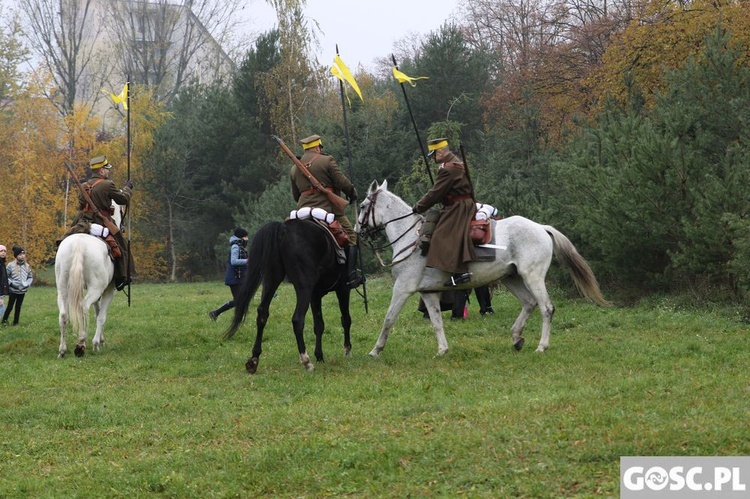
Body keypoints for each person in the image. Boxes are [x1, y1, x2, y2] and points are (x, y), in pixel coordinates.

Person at [291, 134, 362, 288]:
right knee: (351, 236)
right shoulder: (327, 160)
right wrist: (352, 193)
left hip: (302, 211)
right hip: (326, 209)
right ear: (318, 147)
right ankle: (351, 276)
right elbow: (342, 182)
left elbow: (296, 195)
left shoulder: (294, 167)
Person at [61, 155, 134, 291]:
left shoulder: (84, 186)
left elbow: (82, 204)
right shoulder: (108, 184)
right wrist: (127, 188)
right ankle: (121, 278)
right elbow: (123, 199)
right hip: (102, 221)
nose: (108, 171)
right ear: (101, 170)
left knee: (66, 239)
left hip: (83, 221)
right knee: (122, 246)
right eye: (106, 169)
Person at [412, 138, 476, 287]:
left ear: (440, 152)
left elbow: (435, 194)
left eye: (433, 154)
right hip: (456, 204)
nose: (433, 158)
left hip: (458, 207)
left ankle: (460, 272)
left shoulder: (447, 169)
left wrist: (418, 207)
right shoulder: (454, 162)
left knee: (442, 235)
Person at [209, 227, 249, 321]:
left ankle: (217, 313)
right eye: (246, 237)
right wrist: (248, 261)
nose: (247, 239)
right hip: (234, 278)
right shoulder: (235, 246)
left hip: (238, 277)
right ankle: (217, 313)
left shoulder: (240, 247)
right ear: (241, 237)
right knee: (239, 300)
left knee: (240, 300)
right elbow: (234, 261)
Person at [2, 246, 33, 326]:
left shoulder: (27, 266)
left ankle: (16, 322)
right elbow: (6, 276)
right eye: (20, 254)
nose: (22, 256)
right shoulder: (10, 265)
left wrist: (27, 284)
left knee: (18, 307)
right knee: (10, 306)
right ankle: (4, 320)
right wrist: (11, 283)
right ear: (16, 256)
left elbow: (30, 276)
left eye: (23, 254)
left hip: (22, 290)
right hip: (13, 290)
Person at [0, 245, 9, 321]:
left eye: (4, 251)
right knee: (1, 309)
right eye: (1, 251)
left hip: (2, 291)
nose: (3, 253)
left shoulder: (2, 263)